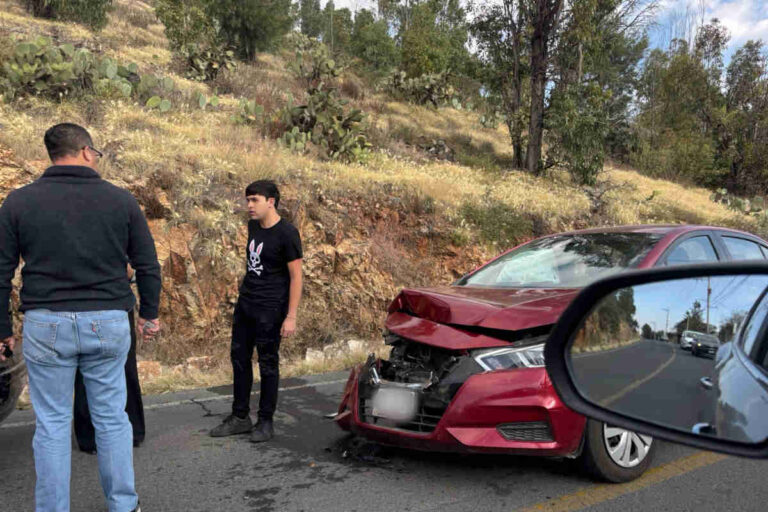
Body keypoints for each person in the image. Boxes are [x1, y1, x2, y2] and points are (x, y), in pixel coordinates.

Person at [0, 123, 161, 512]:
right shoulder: (120, 200)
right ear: (87, 151)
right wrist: (149, 314)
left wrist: (2, 330)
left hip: (46, 323)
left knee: (52, 423)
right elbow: (147, 264)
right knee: (111, 418)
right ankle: (123, 505)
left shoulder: (19, 202)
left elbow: (1, 271)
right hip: (107, 320)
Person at [210, 180, 303, 442]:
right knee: (239, 359)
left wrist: (291, 316)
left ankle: (265, 421)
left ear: (271, 202)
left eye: (254, 200)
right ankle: (240, 416)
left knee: (267, 364)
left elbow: (296, 277)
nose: (249, 205)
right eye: (247, 200)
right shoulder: (253, 226)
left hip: (271, 308)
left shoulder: (287, 233)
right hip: (247, 304)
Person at [74, 266, 145, 453]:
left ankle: (91, 436)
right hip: (112, 300)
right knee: (123, 368)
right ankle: (129, 431)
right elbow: (136, 268)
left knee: (86, 373)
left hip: (83, 300)